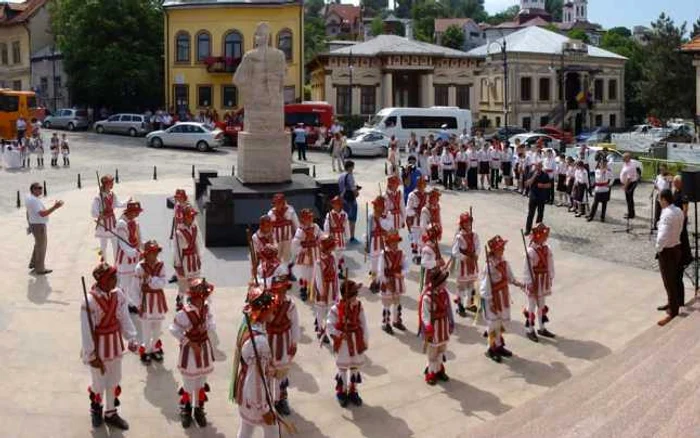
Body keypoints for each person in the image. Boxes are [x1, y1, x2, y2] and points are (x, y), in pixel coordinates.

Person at [81, 259, 138, 429]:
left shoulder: (118, 294)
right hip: (98, 347)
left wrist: (132, 337)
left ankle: (111, 412)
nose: (116, 280)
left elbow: (124, 318)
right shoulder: (89, 302)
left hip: (114, 345)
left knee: (114, 379)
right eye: (112, 277)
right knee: (98, 382)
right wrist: (91, 355)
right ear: (103, 280)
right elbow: (86, 331)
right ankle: (96, 409)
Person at [232, 284, 278, 438]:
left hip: (245, 392)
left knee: (246, 429)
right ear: (263, 312)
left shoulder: (248, 326)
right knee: (272, 429)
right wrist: (264, 408)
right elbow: (256, 380)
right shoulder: (259, 343)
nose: (274, 310)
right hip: (255, 398)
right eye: (271, 308)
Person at [170, 279, 216, 429]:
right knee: (189, 383)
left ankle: (198, 409)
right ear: (196, 297)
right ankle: (187, 409)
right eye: (204, 295)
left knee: (201, 382)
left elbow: (212, 323)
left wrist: (207, 326)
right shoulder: (184, 313)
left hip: (203, 349)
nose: (206, 298)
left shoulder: (206, 309)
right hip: (190, 352)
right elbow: (173, 329)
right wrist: (189, 342)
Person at [480, 235, 524, 362]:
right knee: (493, 324)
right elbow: (485, 285)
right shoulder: (489, 266)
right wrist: (489, 301)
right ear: (494, 250)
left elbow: (509, 276)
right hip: (493, 298)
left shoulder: (503, 261)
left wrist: (517, 283)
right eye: (501, 248)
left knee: (499, 323)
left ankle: (498, 345)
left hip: (502, 295)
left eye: (503, 247)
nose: (503, 249)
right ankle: (490, 348)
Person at [327, 279, 369, 408]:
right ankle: (342, 391)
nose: (356, 295)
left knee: (355, 367)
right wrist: (340, 334)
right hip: (344, 343)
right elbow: (329, 326)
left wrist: (365, 340)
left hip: (356, 340)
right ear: (347, 295)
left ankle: (353, 391)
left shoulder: (359, 306)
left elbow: (363, 323)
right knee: (343, 369)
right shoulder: (335, 309)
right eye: (354, 293)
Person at [266, 272, 299, 417]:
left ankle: (281, 400)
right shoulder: (266, 304)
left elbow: (295, 325)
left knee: (282, 373)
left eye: (283, 291)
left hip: (284, 341)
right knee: (268, 372)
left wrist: (294, 342)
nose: (280, 294)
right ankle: (267, 401)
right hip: (268, 341)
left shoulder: (290, 305)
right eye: (277, 291)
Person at [418, 267, 454, 386]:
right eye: (444, 281)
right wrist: (427, 325)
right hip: (434, 329)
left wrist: (451, 322)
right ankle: (431, 372)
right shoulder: (428, 297)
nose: (446, 283)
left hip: (443, 326)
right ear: (438, 283)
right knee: (432, 352)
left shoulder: (444, 293)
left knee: (442, 349)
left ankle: (439, 369)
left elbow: (448, 308)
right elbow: (425, 313)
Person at [134, 240, 168, 364]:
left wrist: (150, 279)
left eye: (156, 253)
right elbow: (135, 287)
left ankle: (155, 347)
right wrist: (138, 303)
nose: (154, 256)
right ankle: (146, 350)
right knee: (146, 329)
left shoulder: (161, 265)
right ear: (146, 254)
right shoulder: (140, 267)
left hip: (158, 301)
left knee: (157, 328)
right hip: (145, 302)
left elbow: (163, 283)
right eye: (151, 253)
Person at [655, 189, 684, 327]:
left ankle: (673, 311)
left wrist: (658, 248)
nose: (659, 202)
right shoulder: (678, 210)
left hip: (667, 251)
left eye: (659, 199)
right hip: (676, 247)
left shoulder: (666, 214)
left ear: (664, 199)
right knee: (674, 279)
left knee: (669, 281)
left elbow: (662, 236)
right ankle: (672, 303)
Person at [522, 223, 555, 342]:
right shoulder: (531, 251)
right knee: (531, 305)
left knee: (541, 305)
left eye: (546, 236)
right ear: (537, 236)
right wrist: (529, 283)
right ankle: (530, 329)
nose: (545, 238)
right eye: (543, 236)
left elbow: (550, 263)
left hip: (543, 280)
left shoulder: (547, 248)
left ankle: (542, 327)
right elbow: (527, 269)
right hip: (534, 281)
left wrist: (551, 276)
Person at [26, 182, 63, 274]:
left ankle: (33, 263)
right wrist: (55, 207)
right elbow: (42, 214)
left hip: (35, 224)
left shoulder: (29, 198)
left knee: (38, 245)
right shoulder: (34, 200)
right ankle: (40, 269)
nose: (41, 189)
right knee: (41, 247)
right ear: (33, 190)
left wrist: (30, 223)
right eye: (38, 188)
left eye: (41, 187)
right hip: (38, 226)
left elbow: (28, 212)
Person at [378, 230, 408, 334]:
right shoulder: (383, 254)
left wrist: (402, 273)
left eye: (396, 242)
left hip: (398, 281)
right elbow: (380, 271)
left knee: (397, 302)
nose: (395, 244)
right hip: (388, 281)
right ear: (388, 243)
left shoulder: (401, 253)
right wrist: (386, 283)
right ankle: (387, 323)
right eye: (392, 242)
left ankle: (396, 321)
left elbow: (405, 266)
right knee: (387, 304)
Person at [116, 201, 144, 312]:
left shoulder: (135, 223)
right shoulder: (121, 224)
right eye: (136, 212)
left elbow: (139, 240)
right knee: (124, 284)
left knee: (133, 282)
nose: (137, 214)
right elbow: (123, 244)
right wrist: (137, 253)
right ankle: (122, 305)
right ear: (130, 212)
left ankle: (130, 304)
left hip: (135, 257)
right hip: (125, 259)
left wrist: (145, 247)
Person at [92, 175, 127, 263]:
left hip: (112, 223)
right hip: (104, 224)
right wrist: (100, 215)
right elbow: (93, 211)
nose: (112, 184)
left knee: (115, 245)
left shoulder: (112, 195)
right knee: (103, 246)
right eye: (110, 182)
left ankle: (116, 264)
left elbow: (118, 204)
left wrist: (127, 202)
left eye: (112, 182)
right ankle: (104, 265)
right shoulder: (98, 197)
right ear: (105, 184)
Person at [174, 206, 202, 311]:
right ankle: (180, 300)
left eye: (193, 216)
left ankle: (192, 301)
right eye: (190, 216)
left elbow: (197, 243)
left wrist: (199, 257)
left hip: (193, 258)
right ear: (185, 217)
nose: (192, 218)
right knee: (183, 284)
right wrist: (178, 265)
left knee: (195, 282)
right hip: (185, 260)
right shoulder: (179, 232)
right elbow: (177, 250)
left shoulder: (194, 228)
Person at [451, 212, 480, 317]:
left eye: (469, 222)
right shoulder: (459, 237)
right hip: (463, 265)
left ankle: (469, 303)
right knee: (461, 287)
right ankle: (460, 306)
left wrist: (476, 254)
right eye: (466, 222)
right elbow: (455, 251)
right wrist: (464, 257)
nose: (468, 224)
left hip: (472, 263)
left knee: (471, 285)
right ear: (462, 224)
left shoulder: (474, 235)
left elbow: (478, 246)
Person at [313, 235, 340, 343]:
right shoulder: (319, 261)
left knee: (330, 309)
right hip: (323, 290)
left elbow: (335, 274)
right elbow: (318, 278)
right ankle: (320, 330)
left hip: (332, 287)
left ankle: (329, 329)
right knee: (321, 311)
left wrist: (337, 288)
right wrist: (321, 292)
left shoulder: (333, 257)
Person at [291, 208, 322, 302]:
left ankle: (314, 289)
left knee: (315, 271)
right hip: (305, 255)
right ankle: (303, 289)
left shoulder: (316, 227)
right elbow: (295, 243)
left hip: (315, 252)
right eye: (307, 218)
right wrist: (301, 249)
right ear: (303, 219)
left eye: (311, 217)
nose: (310, 219)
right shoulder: (300, 230)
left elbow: (321, 236)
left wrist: (321, 241)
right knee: (304, 273)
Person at [268, 193, 300, 277]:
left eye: (279, 203)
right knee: (276, 256)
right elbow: (269, 228)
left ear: (283, 202)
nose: (278, 205)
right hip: (276, 239)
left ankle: (288, 272)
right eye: (276, 203)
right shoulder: (271, 213)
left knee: (288, 256)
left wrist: (299, 235)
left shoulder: (290, 211)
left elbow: (296, 224)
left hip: (288, 238)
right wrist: (269, 239)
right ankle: (277, 273)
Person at [367, 196, 392, 293]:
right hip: (374, 243)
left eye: (379, 206)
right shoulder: (370, 216)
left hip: (383, 242)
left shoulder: (386, 216)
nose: (377, 208)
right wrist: (367, 244)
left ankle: (381, 282)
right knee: (373, 264)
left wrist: (381, 218)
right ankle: (374, 281)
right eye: (376, 206)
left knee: (382, 263)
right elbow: (368, 231)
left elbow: (388, 228)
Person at [324, 196, 350, 276]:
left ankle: (340, 271)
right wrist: (327, 236)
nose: (336, 206)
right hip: (333, 238)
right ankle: (334, 270)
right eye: (334, 204)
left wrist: (347, 237)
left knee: (340, 256)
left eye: (338, 204)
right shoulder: (330, 215)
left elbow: (346, 226)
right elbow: (326, 226)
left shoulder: (344, 215)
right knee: (334, 255)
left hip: (341, 238)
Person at [524, 162, 552, 235]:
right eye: (537, 166)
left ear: (541, 167)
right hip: (533, 197)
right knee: (530, 214)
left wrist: (543, 185)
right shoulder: (531, 173)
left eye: (539, 166)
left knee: (540, 214)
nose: (538, 168)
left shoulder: (545, 174)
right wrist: (534, 176)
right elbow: (527, 183)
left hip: (541, 197)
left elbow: (549, 185)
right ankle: (528, 229)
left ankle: (537, 230)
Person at [406, 177, 428, 264]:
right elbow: (408, 209)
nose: (422, 187)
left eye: (423, 185)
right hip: (415, 221)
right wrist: (415, 213)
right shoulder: (412, 195)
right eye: (420, 185)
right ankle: (416, 256)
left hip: (424, 220)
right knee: (415, 239)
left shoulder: (427, 195)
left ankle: (421, 255)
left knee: (423, 239)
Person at [338, 160, 360, 243]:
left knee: (343, 218)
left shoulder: (341, 176)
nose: (353, 168)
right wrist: (357, 193)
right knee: (352, 219)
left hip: (343, 199)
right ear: (350, 167)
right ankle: (352, 237)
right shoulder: (349, 176)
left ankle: (343, 236)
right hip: (350, 199)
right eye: (353, 167)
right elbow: (353, 188)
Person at [620, 152, 639, 219]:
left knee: (629, 199)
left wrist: (625, 186)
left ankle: (631, 215)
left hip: (630, 184)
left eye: (624, 157)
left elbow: (629, 179)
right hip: (627, 183)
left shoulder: (630, 166)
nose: (622, 158)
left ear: (628, 158)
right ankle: (630, 212)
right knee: (628, 199)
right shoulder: (626, 163)